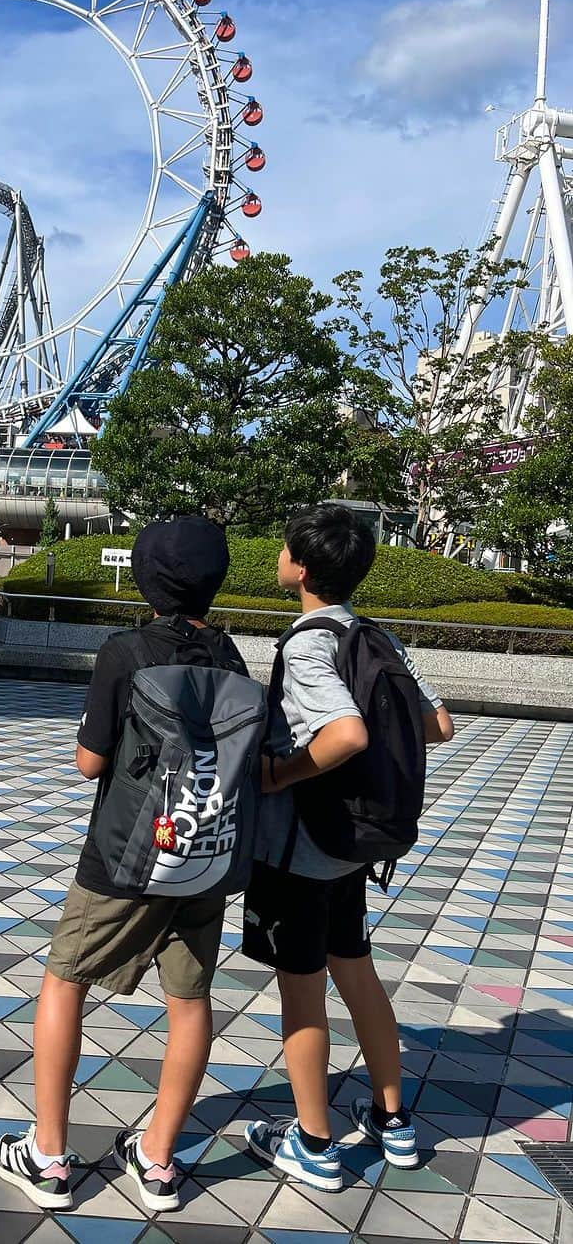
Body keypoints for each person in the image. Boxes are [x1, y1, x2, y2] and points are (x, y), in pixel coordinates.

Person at [0, 517, 247, 1213]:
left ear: (146, 579)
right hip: (203, 854)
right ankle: (159, 1161)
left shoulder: (125, 652)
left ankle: (48, 1157)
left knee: (64, 981)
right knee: (190, 1002)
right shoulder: (231, 657)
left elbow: (89, 762)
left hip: (126, 856)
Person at [242, 505, 455, 1192]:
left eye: (283, 548)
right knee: (356, 970)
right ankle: (393, 1124)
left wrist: (283, 771)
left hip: (303, 844)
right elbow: (440, 725)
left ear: (301, 569)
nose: (278, 555)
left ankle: (315, 1144)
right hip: (352, 846)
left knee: (301, 991)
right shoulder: (377, 636)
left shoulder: (307, 642)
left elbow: (346, 734)